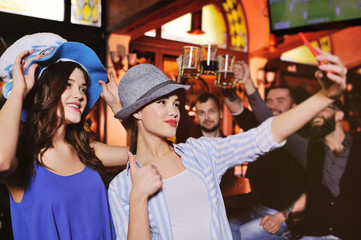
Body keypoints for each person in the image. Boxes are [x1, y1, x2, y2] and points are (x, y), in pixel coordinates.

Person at [106, 45, 346, 239]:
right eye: (161, 102)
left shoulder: (201, 153)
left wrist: (324, 96)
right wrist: (138, 197)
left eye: (175, 103)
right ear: (136, 112)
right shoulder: (121, 187)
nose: (174, 111)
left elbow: (264, 136)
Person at [0, 33, 129, 239]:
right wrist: (18, 91)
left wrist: (119, 108)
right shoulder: (22, 157)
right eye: (67, 84)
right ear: (44, 91)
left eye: (83, 88)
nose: (79, 94)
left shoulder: (86, 149)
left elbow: (144, 154)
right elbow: (1, 160)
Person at [223, 80, 307, 238]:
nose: (273, 106)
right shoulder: (260, 129)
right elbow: (234, 104)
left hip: (281, 215)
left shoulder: (300, 139)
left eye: (280, 101)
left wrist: (282, 215)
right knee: (220, 227)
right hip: (252, 207)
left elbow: (314, 190)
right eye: (269, 101)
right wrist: (225, 82)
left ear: (295, 107)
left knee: (237, 236)